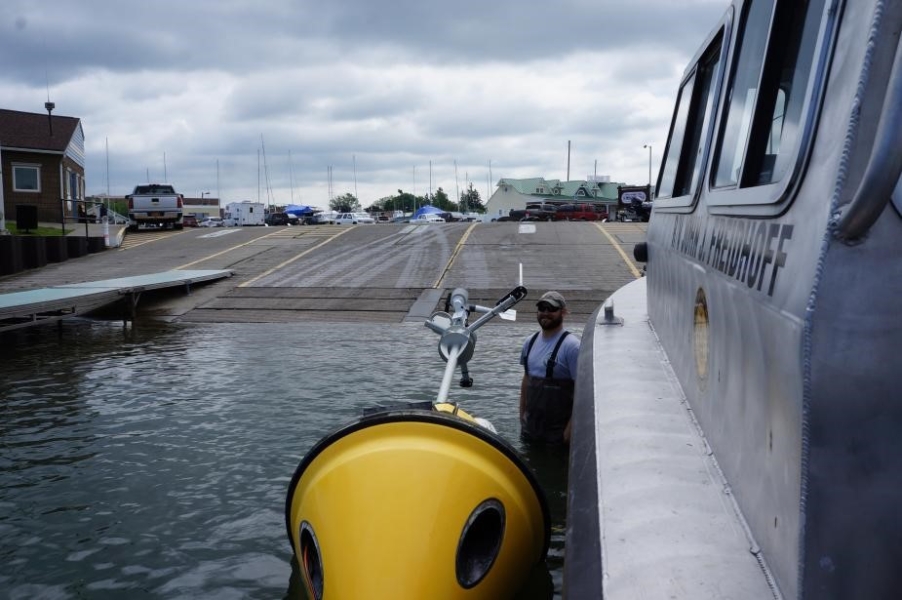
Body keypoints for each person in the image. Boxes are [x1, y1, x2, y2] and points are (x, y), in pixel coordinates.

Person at [519, 291, 581, 444]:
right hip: (531, 428)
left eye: (551, 309)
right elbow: (526, 380)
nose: (546, 313)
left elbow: (582, 390)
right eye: (542, 308)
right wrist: (521, 415)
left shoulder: (572, 346)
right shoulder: (529, 342)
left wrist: (569, 430)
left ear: (563, 312)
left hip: (559, 433)